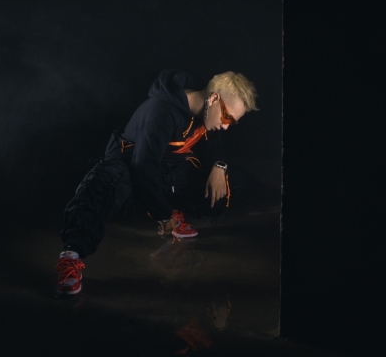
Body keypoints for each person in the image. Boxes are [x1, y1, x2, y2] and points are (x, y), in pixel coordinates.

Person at [56, 69, 258, 295]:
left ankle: (174, 211)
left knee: (235, 183)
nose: (226, 126)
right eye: (227, 117)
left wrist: (219, 166)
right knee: (101, 183)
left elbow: (214, 144)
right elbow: (143, 168)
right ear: (213, 99)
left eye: (233, 122)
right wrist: (162, 214)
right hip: (132, 170)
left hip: (169, 173)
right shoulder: (161, 112)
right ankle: (70, 257)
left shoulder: (206, 113)